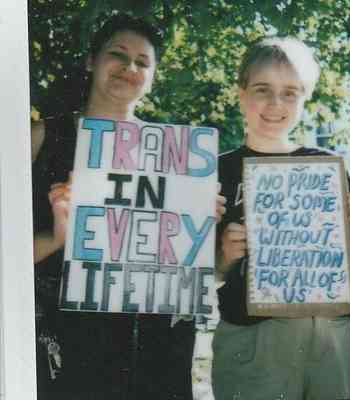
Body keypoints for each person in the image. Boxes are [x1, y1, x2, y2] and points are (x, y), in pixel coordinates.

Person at [32, 14, 227, 400]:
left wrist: (198, 228)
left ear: (153, 75)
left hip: (155, 349)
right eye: (117, 54)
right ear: (91, 60)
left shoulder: (174, 157)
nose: (129, 68)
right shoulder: (41, 138)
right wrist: (56, 238)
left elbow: (202, 271)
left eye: (143, 62)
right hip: (67, 348)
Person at [212, 37, 350, 400]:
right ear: (241, 94)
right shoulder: (217, 172)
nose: (276, 103)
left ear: (306, 98)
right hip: (255, 338)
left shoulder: (327, 164)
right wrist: (224, 256)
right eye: (262, 89)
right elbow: (201, 273)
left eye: (290, 92)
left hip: (338, 332)